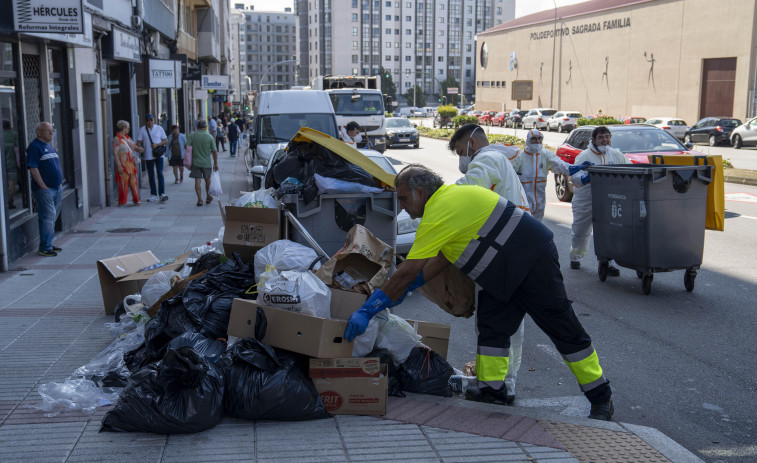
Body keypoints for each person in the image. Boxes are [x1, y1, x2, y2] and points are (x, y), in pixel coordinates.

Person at [344, 164, 615, 421]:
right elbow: (441, 258)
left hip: (531, 262)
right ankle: (492, 392)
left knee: (562, 327)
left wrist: (370, 308)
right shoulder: (451, 200)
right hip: (499, 272)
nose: (402, 206)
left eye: (403, 199)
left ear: (421, 193)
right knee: (492, 331)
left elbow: (407, 271)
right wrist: (409, 287)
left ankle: (601, 397)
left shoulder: (440, 209)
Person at [448, 123, 531, 405]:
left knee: (492, 320)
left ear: (471, 144)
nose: (462, 158)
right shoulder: (500, 161)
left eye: (460, 151)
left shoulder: (487, 159)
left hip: (501, 253)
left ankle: (495, 386)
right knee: (511, 323)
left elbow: (464, 194)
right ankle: (503, 384)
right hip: (517, 249)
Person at [569, 126, 629, 272]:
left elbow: (630, 169)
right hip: (586, 199)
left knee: (609, 231)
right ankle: (576, 256)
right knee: (581, 230)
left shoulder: (616, 155)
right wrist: (585, 178)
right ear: (594, 140)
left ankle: (608, 262)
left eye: (607, 137)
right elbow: (574, 177)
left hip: (609, 200)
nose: (605, 140)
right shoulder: (584, 156)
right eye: (601, 137)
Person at [509, 128, 593, 221]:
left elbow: (560, 166)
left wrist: (577, 167)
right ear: (528, 140)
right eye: (534, 139)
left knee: (537, 224)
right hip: (523, 199)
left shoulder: (546, 155)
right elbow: (509, 175)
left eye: (539, 139)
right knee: (524, 223)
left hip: (540, 200)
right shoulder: (520, 157)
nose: (537, 141)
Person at [26, 122, 63, 257]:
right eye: (48, 131)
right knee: (47, 217)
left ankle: (48, 242)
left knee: (52, 217)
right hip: (45, 190)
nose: (51, 133)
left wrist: (59, 185)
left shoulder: (49, 146)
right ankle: (45, 247)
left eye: (52, 130)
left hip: (57, 188)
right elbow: (33, 168)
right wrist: (42, 186)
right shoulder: (35, 147)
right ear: (39, 132)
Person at [136, 113, 169, 202]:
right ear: (146, 121)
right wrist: (140, 147)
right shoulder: (142, 130)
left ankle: (162, 193)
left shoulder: (159, 128)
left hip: (159, 155)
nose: (150, 122)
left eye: (151, 120)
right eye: (148, 120)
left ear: (154, 120)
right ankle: (153, 194)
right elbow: (138, 141)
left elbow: (166, 140)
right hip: (148, 155)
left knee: (160, 173)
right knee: (151, 175)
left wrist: (157, 144)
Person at [187, 119, 218, 206]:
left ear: (197, 127)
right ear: (206, 127)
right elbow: (214, 151)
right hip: (206, 162)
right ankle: (208, 197)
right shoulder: (209, 137)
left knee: (197, 181)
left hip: (196, 162)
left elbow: (187, 146)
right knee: (207, 180)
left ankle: (200, 200)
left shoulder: (192, 135)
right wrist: (215, 163)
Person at [112, 120, 144, 206]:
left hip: (131, 165)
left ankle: (136, 200)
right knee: (123, 184)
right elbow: (115, 153)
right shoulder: (117, 139)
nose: (129, 129)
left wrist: (139, 149)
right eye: (128, 128)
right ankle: (122, 202)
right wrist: (118, 166)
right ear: (123, 128)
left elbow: (134, 146)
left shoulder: (127, 138)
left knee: (134, 183)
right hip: (123, 165)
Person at [3, 120, 20, 209]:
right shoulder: (14, 135)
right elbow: (19, 147)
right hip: (12, 165)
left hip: (2, 166)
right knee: (11, 185)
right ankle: (9, 202)